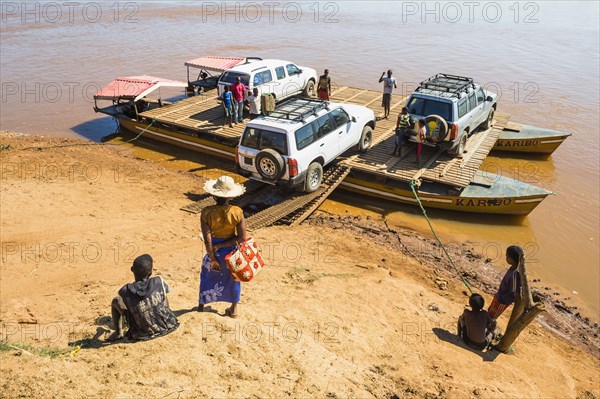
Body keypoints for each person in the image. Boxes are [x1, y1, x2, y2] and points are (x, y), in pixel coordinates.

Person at [199, 176, 247, 318]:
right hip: (231, 253)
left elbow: (208, 240)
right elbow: (242, 238)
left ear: (214, 195)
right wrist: (223, 244)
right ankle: (233, 310)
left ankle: (201, 307)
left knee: (207, 277)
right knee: (233, 279)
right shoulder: (237, 212)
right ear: (231, 196)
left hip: (214, 251)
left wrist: (213, 257)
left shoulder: (207, 212)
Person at [109, 254, 179, 342]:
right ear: (151, 272)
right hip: (168, 326)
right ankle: (164, 317)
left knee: (115, 301)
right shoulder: (158, 281)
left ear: (132, 270)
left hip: (141, 334)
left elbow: (126, 308)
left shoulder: (125, 291)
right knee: (162, 292)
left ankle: (118, 333)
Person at [488, 246, 524, 320]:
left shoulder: (515, 274)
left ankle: (488, 326)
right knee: (490, 311)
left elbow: (515, 292)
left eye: (506, 255)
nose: (505, 257)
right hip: (500, 295)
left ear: (510, 259)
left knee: (493, 316)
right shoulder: (512, 268)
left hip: (503, 300)